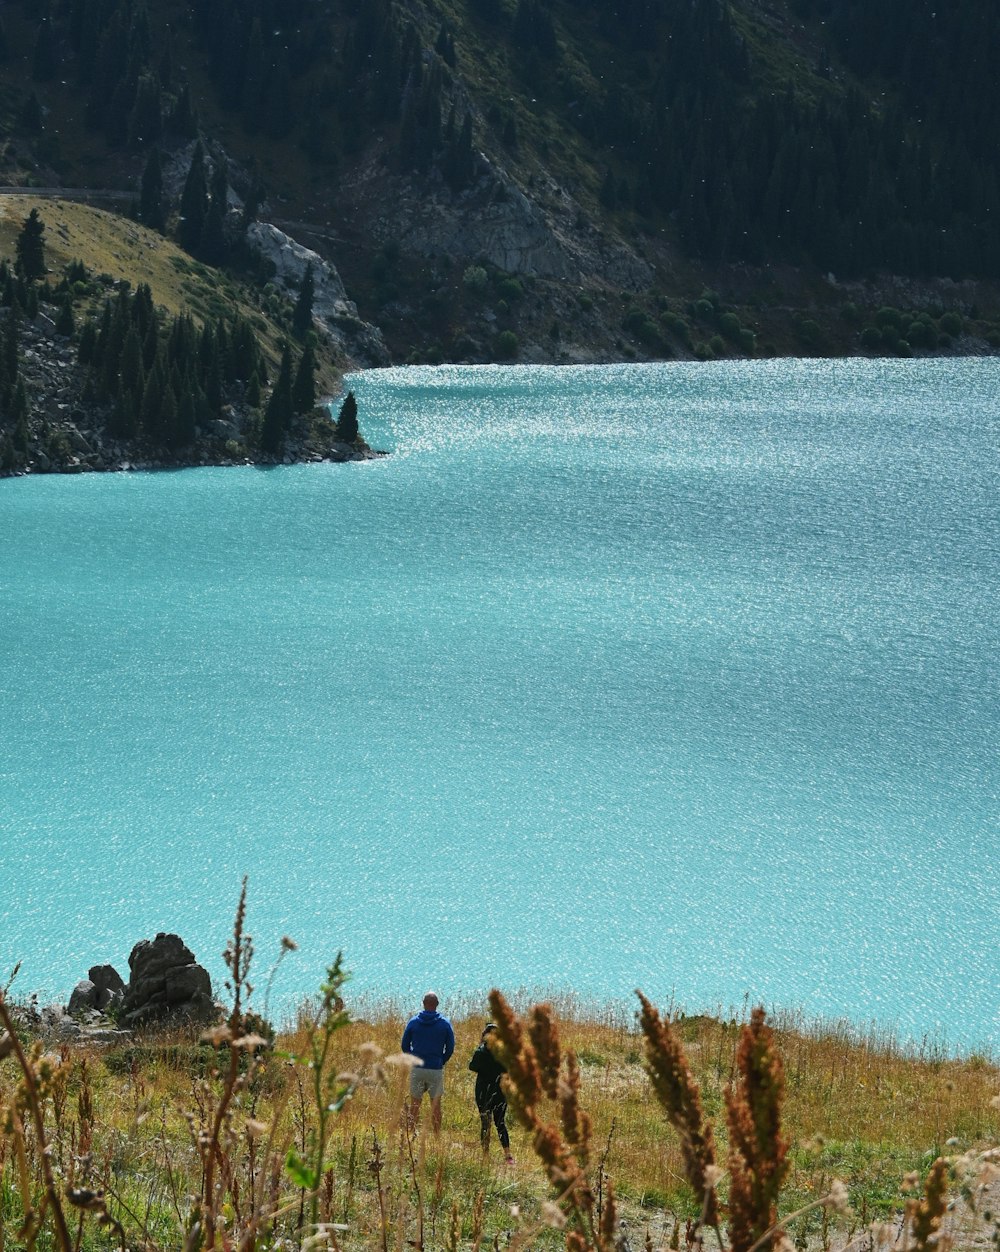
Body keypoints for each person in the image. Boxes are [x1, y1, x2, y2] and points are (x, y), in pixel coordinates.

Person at [401, 992, 455, 1135]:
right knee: (436, 1106)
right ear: (437, 1004)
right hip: (435, 1069)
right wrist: (441, 1060)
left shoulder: (413, 1022)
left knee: (414, 1105)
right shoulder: (444, 1023)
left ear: (423, 1003)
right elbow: (450, 1047)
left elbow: (404, 1045)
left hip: (417, 1069)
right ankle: (437, 1137)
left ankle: (411, 1136)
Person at [469, 1024, 514, 1163]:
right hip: (501, 1091)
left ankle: (485, 1155)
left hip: (483, 1091)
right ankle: (508, 1155)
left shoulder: (481, 1052)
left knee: (485, 1123)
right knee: (500, 1123)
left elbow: (472, 1066)